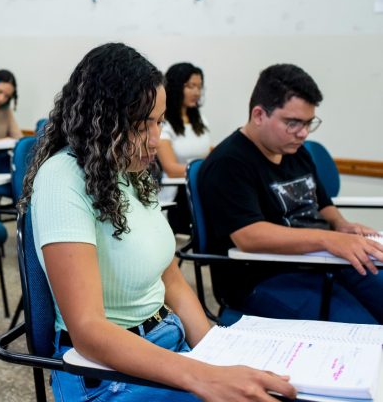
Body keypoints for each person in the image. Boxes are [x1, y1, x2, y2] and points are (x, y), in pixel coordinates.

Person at [19, 43, 296, 402]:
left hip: (166, 343)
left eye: (159, 121)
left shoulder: (130, 170)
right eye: (139, 125)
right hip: (104, 373)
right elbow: (88, 330)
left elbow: (172, 279)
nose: (155, 140)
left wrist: (216, 351)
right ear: (100, 121)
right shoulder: (62, 178)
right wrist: (203, 376)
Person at [198, 63, 383, 323]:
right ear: (259, 115)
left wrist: (341, 225)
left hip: (322, 261)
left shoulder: (294, 151)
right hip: (265, 277)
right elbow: (249, 237)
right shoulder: (229, 163)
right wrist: (327, 240)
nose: (303, 133)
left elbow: (321, 202)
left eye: (308, 123)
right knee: (367, 330)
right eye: (293, 123)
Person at [156, 62, 211, 234]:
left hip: (200, 184)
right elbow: (171, 169)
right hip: (177, 192)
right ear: (176, 87)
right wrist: (208, 169)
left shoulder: (199, 118)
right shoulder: (163, 122)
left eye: (199, 87)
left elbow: (208, 151)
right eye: (190, 86)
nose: (196, 92)